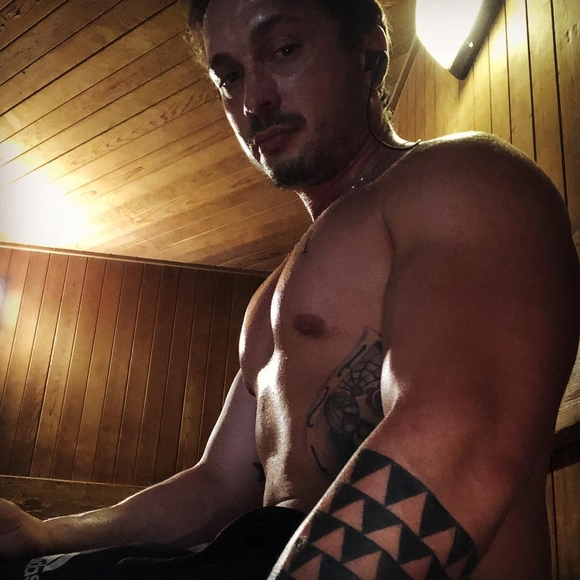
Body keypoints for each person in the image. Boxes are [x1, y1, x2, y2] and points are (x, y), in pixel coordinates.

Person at [1, 0, 579, 578]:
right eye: (229, 77)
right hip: (255, 552)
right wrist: (45, 533)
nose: (252, 100)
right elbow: (215, 485)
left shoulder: (461, 179)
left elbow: (464, 435)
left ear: (368, 48)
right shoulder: (272, 298)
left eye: (283, 50)